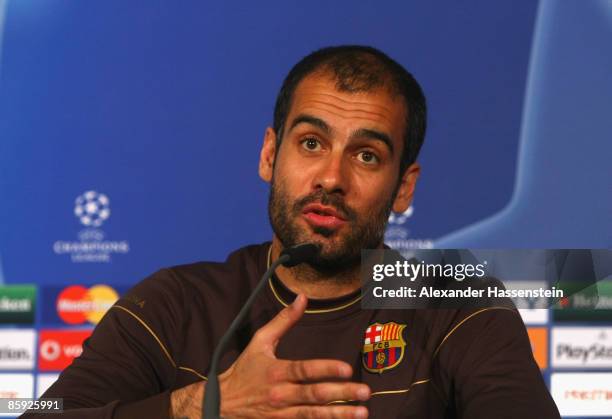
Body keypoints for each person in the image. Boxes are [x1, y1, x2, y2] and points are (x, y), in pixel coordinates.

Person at [23, 45, 560, 419]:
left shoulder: (457, 306)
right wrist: (204, 405)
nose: (331, 177)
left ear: (403, 188)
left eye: (367, 155)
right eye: (310, 143)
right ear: (268, 154)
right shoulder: (175, 303)